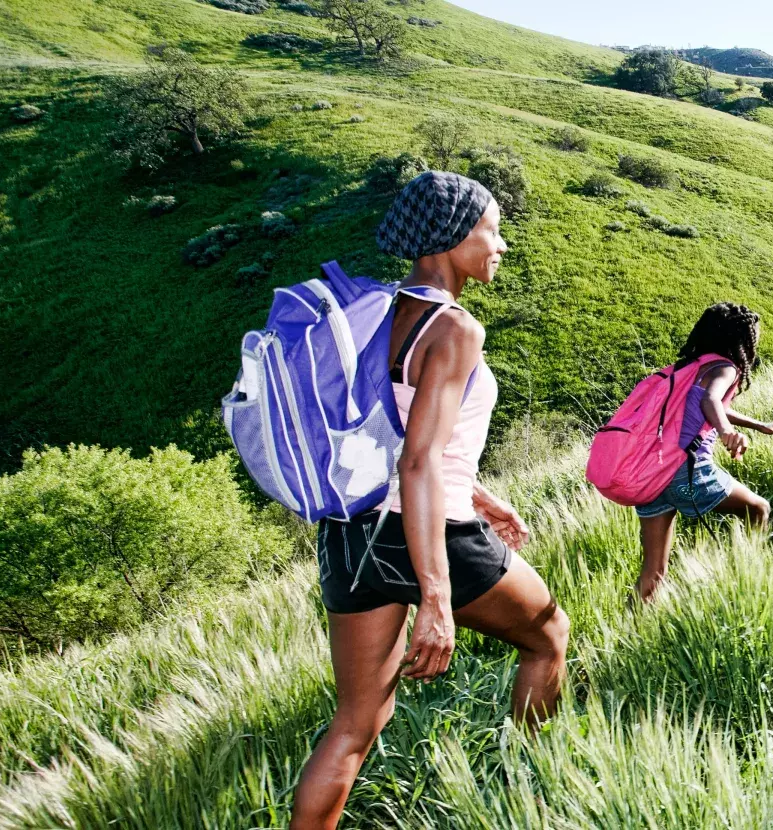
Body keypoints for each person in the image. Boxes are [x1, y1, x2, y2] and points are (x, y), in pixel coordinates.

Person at [291, 172, 569, 830]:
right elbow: (416, 461)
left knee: (356, 723)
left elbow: (398, 438)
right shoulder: (455, 328)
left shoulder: (377, 316)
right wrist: (435, 597)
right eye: (491, 230)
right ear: (450, 239)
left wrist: (481, 494)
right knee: (548, 637)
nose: (501, 245)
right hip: (429, 531)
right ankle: (526, 795)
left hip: (351, 531)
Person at [634, 302, 773, 603]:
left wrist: (758, 425)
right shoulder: (725, 367)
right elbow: (710, 400)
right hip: (685, 470)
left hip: (653, 474)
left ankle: (626, 635)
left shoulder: (691, 366)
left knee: (653, 573)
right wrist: (726, 433)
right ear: (741, 339)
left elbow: (710, 403)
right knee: (758, 510)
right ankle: (749, 582)